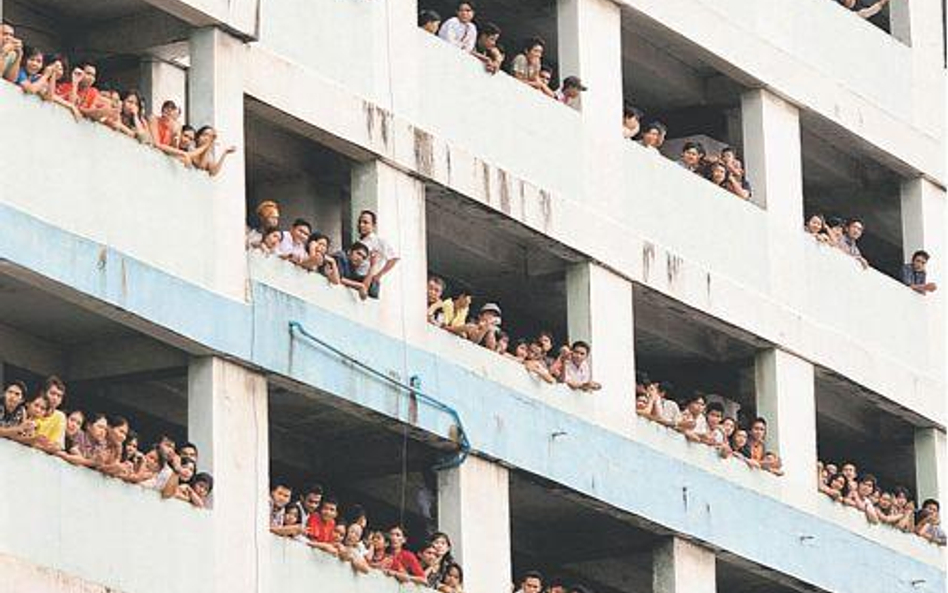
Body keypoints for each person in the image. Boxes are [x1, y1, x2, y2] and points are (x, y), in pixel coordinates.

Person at [356, 210, 399, 299]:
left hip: (370, 280)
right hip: (357, 277)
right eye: (360, 222)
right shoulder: (359, 242)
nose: (361, 225)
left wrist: (379, 275)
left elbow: (393, 258)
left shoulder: (378, 241)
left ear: (373, 225)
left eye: (365, 222)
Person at [33, 375, 67, 452]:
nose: (55, 398)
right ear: (43, 393)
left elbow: (58, 446)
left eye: (59, 396)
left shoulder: (60, 417)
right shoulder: (33, 408)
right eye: (52, 393)